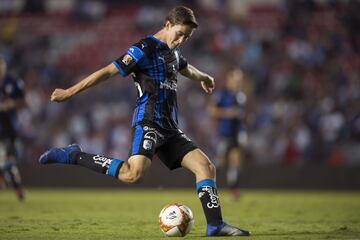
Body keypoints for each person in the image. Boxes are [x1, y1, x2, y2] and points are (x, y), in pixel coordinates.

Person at [39, 6, 250, 236]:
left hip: (170, 127)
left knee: (206, 167)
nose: (181, 40)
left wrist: (204, 77)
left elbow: (185, 68)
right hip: (148, 121)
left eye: (186, 37)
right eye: (179, 34)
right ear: (168, 24)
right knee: (133, 174)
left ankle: (215, 225)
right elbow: (109, 71)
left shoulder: (174, 51)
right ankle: (74, 155)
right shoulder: (143, 49)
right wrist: (69, 92)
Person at [208, 69, 248, 200]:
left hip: (237, 133)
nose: (238, 82)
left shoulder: (241, 96)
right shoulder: (221, 95)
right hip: (224, 133)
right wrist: (228, 112)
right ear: (229, 80)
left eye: (240, 80)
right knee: (219, 163)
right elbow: (212, 110)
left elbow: (243, 114)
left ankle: (234, 190)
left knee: (235, 162)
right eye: (236, 79)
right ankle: (206, 184)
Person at [0, 57, 26, 201]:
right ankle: (17, 188)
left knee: (9, 159)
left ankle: (12, 183)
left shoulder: (13, 82)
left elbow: (24, 102)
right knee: (6, 160)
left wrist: (11, 104)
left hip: (10, 128)